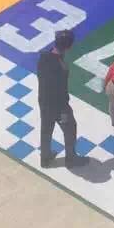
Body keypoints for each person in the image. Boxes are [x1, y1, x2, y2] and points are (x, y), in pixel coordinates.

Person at [36, 29, 88, 169]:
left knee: (46, 129)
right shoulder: (62, 68)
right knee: (70, 129)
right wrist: (64, 108)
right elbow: (60, 90)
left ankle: (45, 158)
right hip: (59, 107)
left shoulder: (43, 57)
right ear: (69, 47)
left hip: (43, 101)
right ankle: (71, 160)